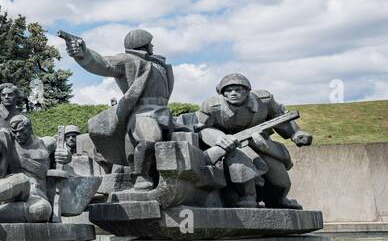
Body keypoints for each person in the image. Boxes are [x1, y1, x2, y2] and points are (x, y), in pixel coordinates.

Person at [64, 29, 173, 190]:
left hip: (164, 112)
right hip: (142, 113)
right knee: (149, 139)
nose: (152, 45)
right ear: (142, 44)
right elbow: (103, 63)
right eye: (150, 43)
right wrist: (83, 54)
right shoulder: (129, 59)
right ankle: (141, 175)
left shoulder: (159, 64)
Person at [196, 73, 313, 208]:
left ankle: (279, 200)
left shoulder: (264, 100)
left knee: (280, 177)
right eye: (228, 90)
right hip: (230, 145)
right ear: (223, 93)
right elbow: (202, 128)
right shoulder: (211, 106)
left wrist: (296, 133)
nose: (233, 93)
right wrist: (220, 138)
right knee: (240, 166)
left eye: (238, 89)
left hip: (259, 142)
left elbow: (279, 116)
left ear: (247, 91)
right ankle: (247, 197)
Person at [0, 113, 55, 222]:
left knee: (43, 210)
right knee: (22, 179)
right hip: (14, 188)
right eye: (15, 132)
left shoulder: (44, 143)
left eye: (21, 131)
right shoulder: (8, 138)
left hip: (36, 194)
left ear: (30, 128)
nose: (18, 135)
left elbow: (61, 145)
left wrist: (66, 155)